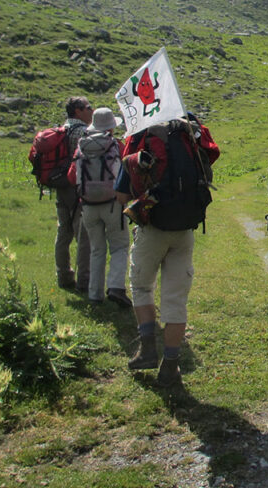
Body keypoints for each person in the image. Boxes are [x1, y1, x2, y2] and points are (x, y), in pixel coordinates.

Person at [115, 115, 219, 386]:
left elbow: (121, 195)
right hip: (185, 229)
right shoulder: (188, 136)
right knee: (175, 300)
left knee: (141, 287)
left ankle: (148, 348)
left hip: (152, 228)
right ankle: (170, 366)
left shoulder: (140, 138)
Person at [68, 107, 131, 308]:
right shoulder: (116, 146)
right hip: (112, 203)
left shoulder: (82, 146)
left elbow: (72, 176)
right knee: (119, 246)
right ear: (112, 127)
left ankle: (94, 295)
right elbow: (124, 174)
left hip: (88, 205)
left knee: (97, 249)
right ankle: (115, 287)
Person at [55, 96, 93, 291]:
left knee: (63, 232)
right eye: (88, 107)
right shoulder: (83, 132)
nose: (91, 111)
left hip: (61, 187)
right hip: (78, 188)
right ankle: (84, 280)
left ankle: (63, 275)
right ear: (78, 111)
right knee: (83, 236)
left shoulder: (61, 129)